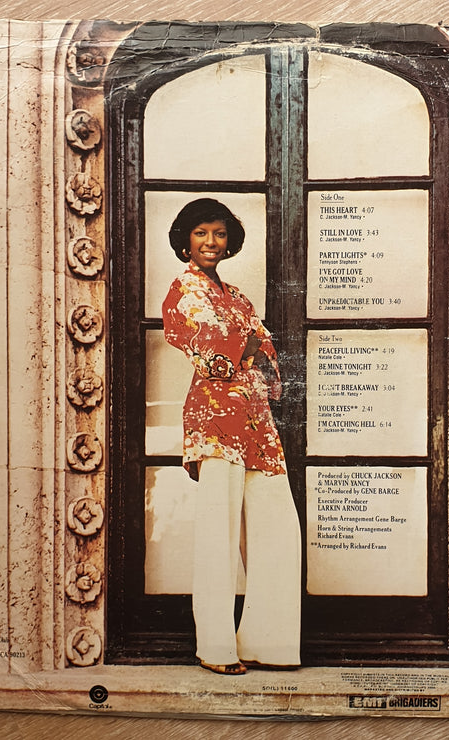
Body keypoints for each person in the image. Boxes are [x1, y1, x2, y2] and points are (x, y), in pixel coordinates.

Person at [162, 198, 301, 675]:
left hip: (257, 420)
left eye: (219, 233)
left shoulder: (238, 297)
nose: (211, 242)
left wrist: (247, 347)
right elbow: (212, 354)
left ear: (229, 242)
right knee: (217, 534)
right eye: (201, 233)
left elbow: (267, 355)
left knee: (277, 530)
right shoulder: (183, 289)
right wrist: (246, 346)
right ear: (186, 241)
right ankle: (215, 648)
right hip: (215, 419)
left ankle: (269, 643)